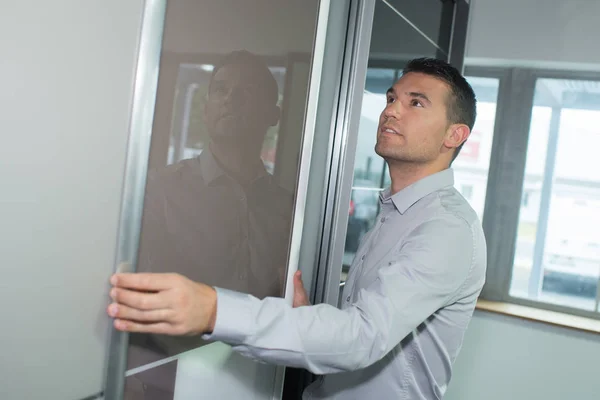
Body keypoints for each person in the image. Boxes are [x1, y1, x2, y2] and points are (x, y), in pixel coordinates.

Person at [108, 57, 487, 399]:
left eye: (415, 103)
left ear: (455, 135)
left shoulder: (445, 229)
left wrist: (212, 310)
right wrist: (313, 313)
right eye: (391, 98)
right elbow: (370, 307)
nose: (392, 111)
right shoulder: (398, 211)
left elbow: (362, 337)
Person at [124, 50, 294, 396]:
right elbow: (132, 290)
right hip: (166, 380)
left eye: (245, 92)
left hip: (257, 380)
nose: (230, 99)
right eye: (220, 90)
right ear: (205, 109)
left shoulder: (287, 208)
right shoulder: (159, 190)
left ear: (272, 115)